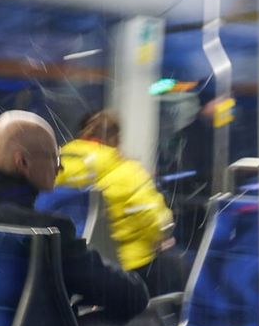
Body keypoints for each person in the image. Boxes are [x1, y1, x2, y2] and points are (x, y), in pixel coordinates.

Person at [0, 110, 149, 323]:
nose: (61, 167)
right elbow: (131, 295)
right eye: (54, 157)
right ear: (23, 162)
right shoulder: (44, 233)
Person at [58, 110, 185, 295]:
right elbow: (155, 220)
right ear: (116, 139)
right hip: (125, 268)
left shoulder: (56, 167)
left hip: (69, 266)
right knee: (175, 268)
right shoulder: (129, 172)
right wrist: (162, 234)